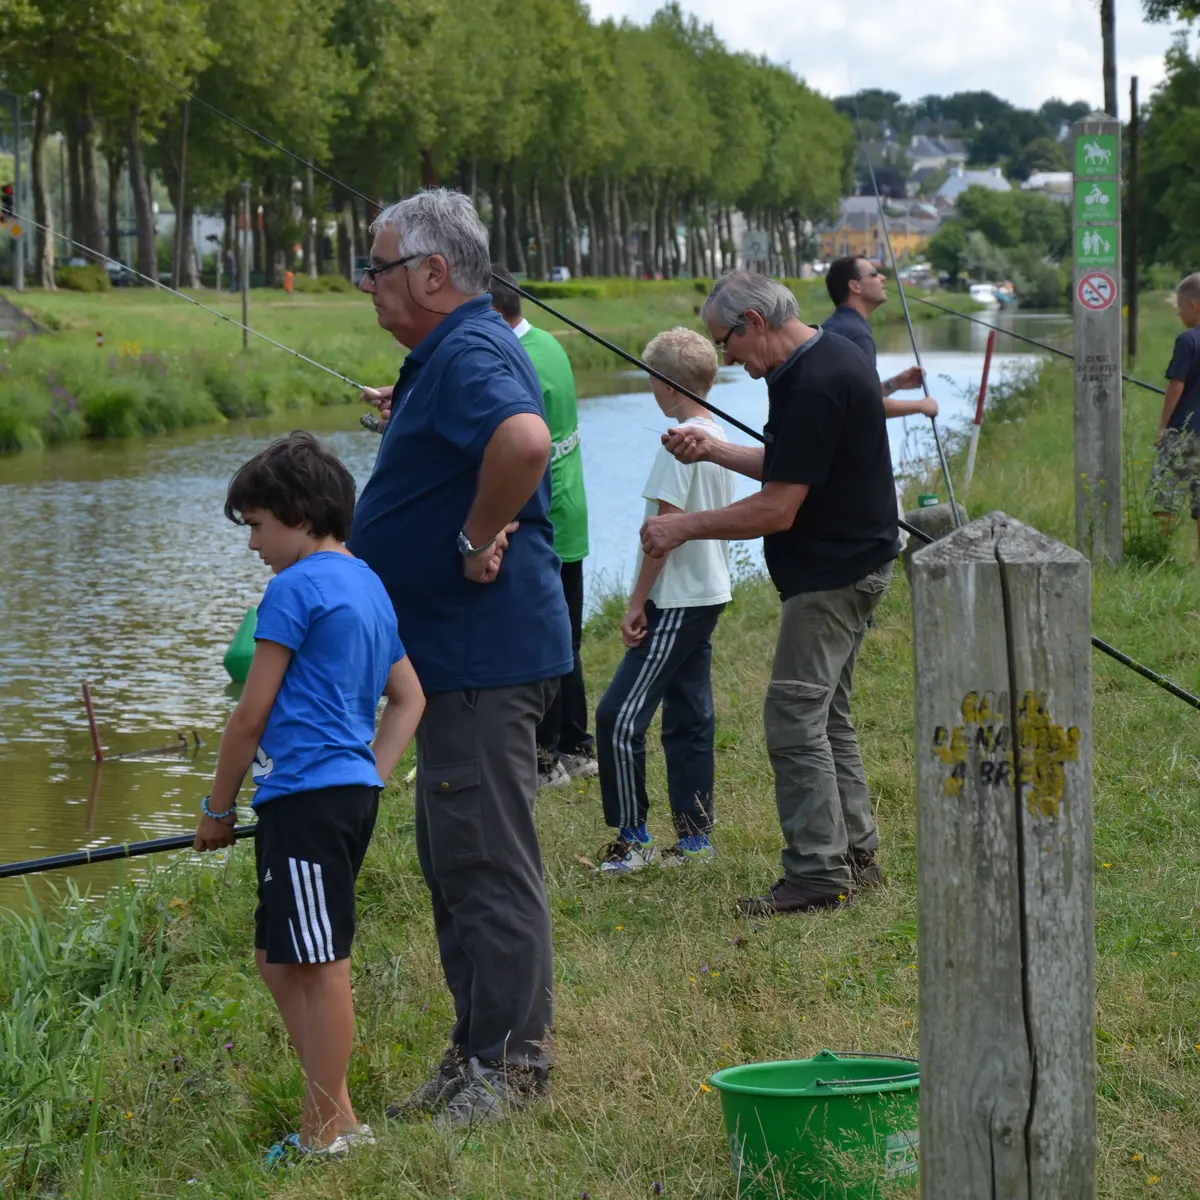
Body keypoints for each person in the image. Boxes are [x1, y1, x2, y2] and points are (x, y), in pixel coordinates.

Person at [349, 188, 571, 1127]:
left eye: (378, 265)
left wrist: (472, 534)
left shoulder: (473, 348)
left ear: (434, 273)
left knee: (486, 862)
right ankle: (475, 1049)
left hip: (480, 656)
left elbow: (523, 443)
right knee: (456, 860)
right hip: (452, 660)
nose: (367, 283)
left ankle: (511, 1070)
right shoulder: (450, 353)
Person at [192, 432, 424, 1162]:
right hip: (338, 796)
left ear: (300, 514)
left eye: (257, 526)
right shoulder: (367, 582)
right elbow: (409, 699)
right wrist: (370, 775)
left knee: (322, 967)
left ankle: (325, 1134)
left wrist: (217, 809)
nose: (253, 544)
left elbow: (249, 715)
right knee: (275, 957)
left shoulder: (293, 588)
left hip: (307, 802)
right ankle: (341, 1114)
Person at [641, 271, 899, 915]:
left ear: (754, 321)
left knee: (793, 716)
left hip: (833, 577)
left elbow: (780, 508)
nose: (724, 356)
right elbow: (794, 462)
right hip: (857, 562)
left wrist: (681, 526)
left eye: (725, 341)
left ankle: (816, 873)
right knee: (826, 714)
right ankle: (856, 855)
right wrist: (716, 451)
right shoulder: (826, 355)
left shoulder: (813, 381)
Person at [594, 328, 734, 872]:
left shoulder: (679, 445)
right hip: (707, 593)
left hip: (677, 600)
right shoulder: (715, 435)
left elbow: (664, 532)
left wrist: (636, 603)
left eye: (652, 375)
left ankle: (635, 841)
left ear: (667, 383)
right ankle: (696, 843)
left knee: (617, 716)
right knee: (689, 715)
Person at [489, 264, 596, 789]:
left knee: (540, 640)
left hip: (539, 519)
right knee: (566, 635)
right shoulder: (547, 343)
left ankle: (545, 756)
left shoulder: (511, 360)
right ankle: (578, 745)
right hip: (569, 513)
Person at [821, 255, 939, 421]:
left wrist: (895, 383)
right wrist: (921, 406)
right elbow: (865, 406)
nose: (882, 278)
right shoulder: (857, 334)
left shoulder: (833, 326)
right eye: (874, 273)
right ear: (855, 286)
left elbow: (848, 397)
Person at [1148, 271, 1200, 564]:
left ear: (1194, 306)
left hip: (1185, 432)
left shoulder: (1187, 340)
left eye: (1180, 307)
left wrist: (1163, 426)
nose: (1180, 313)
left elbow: (1176, 385)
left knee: (1164, 497)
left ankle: (1158, 555)